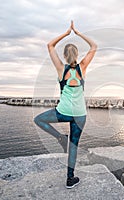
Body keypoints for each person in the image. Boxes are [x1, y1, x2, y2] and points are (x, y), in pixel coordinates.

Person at [34, 20, 97, 189]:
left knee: (38, 120)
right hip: (80, 115)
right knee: (74, 146)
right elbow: (94, 46)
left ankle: (61, 138)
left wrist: (66, 33)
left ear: (64, 55)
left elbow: (49, 45)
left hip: (62, 112)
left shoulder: (61, 69)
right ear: (76, 55)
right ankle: (70, 179)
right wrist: (78, 33)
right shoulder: (82, 67)